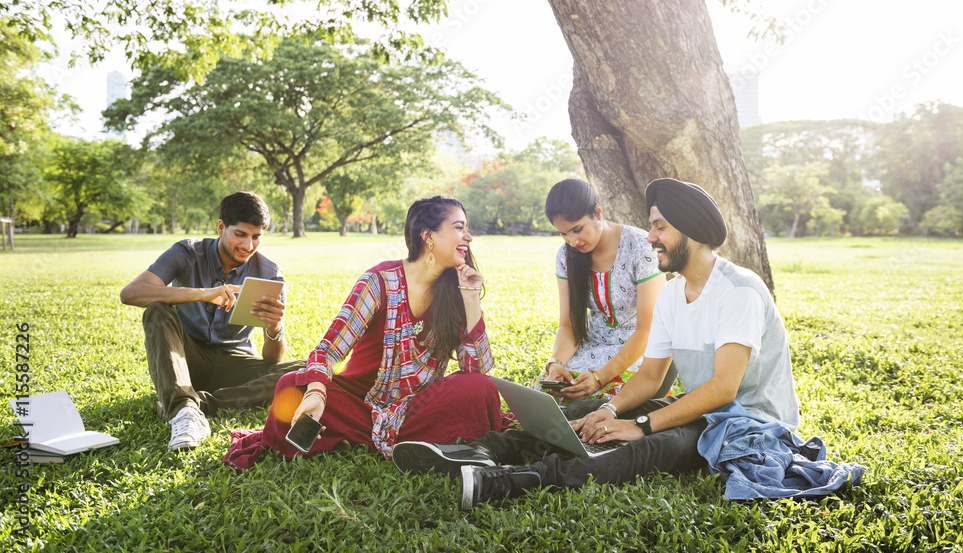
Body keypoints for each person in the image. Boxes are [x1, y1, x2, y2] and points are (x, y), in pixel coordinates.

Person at [393, 178, 809, 510]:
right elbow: (649, 377)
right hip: (701, 406)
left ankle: (513, 481)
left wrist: (638, 424)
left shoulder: (740, 290)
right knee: (583, 414)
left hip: (748, 423)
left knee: (656, 445)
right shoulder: (671, 293)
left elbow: (724, 389)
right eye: (651, 226)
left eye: (660, 226)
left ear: (694, 233)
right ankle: (482, 450)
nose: (650, 237)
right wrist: (608, 409)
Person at [222, 196, 509, 469]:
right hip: (359, 405)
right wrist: (317, 394)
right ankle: (413, 441)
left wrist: (471, 297)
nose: (468, 237)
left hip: (417, 408)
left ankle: (365, 439)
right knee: (290, 388)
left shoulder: (456, 289)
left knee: (480, 389)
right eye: (459, 228)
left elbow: (478, 370)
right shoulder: (379, 282)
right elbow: (328, 350)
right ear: (428, 236)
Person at [120, 191, 305, 451]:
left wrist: (274, 329)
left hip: (236, 367)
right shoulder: (188, 252)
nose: (248, 246)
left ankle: (199, 404)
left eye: (256, 237)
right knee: (157, 310)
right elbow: (131, 293)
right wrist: (204, 294)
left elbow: (272, 360)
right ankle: (184, 411)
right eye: (240, 234)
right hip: (185, 359)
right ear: (221, 227)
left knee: (309, 370)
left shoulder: (270, 275)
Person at [538, 179, 671, 403]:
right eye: (563, 234)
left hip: (637, 350)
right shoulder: (566, 256)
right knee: (544, 399)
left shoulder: (640, 247)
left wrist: (601, 377)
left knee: (593, 406)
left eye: (577, 229)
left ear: (598, 212)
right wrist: (556, 364)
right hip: (592, 344)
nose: (572, 241)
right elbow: (569, 325)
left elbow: (647, 330)